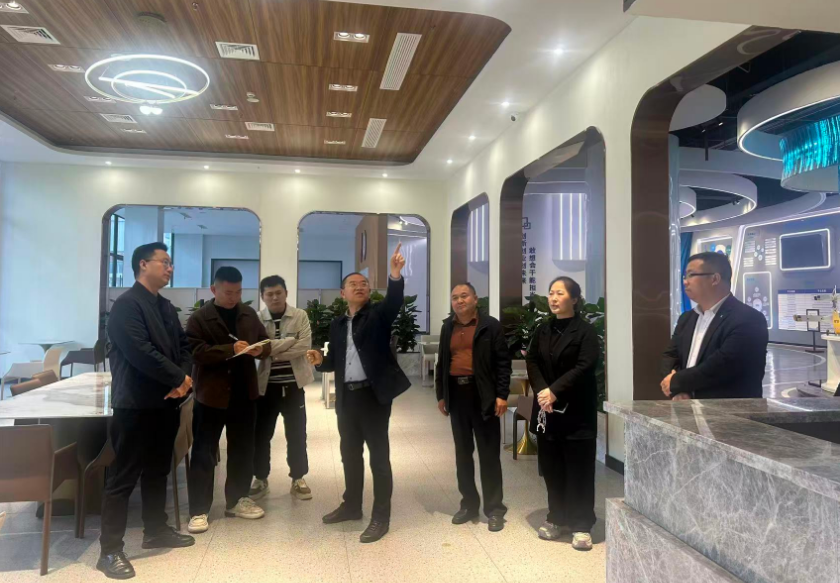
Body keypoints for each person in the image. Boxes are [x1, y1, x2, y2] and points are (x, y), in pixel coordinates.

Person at [98, 242, 194, 580]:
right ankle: (110, 550)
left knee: (158, 471)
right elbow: (139, 352)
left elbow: (184, 346)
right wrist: (178, 378)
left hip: (166, 403)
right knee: (123, 477)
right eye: (164, 262)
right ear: (143, 264)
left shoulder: (165, 306)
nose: (170, 268)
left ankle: (155, 530)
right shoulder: (126, 306)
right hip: (135, 405)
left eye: (170, 263)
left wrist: (184, 379)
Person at [306, 243, 409, 544]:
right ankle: (351, 506)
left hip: (373, 397)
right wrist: (320, 361)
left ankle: (381, 516)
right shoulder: (338, 324)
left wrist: (395, 274)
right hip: (347, 398)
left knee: (379, 458)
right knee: (350, 455)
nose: (360, 286)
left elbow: (394, 301)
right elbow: (335, 361)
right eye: (353, 284)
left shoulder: (378, 315)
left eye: (364, 283)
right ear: (343, 293)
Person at [186, 266, 271, 534]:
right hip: (210, 396)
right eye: (228, 292)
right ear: (214, 289)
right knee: (204, 452)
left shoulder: (248, 314)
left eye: (238, 292)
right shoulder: (200, 318)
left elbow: (266, 342)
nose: (234, 297)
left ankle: (237, 500)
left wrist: (259, 350)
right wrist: (229, 349)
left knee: (242, 449)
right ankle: (199, 509)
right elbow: (195, 352)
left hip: (244, 394)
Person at [526, 276, 600, 551]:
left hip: (577, 411)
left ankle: (581, 524)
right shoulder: (543, 330)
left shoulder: (585, 332)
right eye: (551, 293)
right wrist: (542, 391)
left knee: (579, 468)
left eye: (560, 293)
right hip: (547, 409)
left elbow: (585, 366)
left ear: (575, 299)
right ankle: (556, 516)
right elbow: (532, 360)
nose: (553, 298)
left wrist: (554, 390)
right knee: (552, 467)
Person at [435, 282, 511, 532]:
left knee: (489, 455)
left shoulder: (490, 326)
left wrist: (501, 395)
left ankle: (495, 509)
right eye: (455, 297)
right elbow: (442, 362)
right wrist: (441, 394)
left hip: (483, 396)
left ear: (475, 299)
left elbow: (503, 363)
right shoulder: (448, 326)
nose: (459, 301)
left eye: (464, 296)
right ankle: (468, 504)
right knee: (463, 454)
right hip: (457, 395)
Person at [661, 252, 768, 400]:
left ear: (715, 279)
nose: (685, 282)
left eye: (691, 275)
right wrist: (678, 390)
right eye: (685, 276)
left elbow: (723, 365)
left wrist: (677, 382)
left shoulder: (748, 319)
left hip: (729, 412)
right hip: (686, 409)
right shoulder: (687, 318)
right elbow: (670, 356)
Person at [250, 275, 314, 502]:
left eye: (279, 292)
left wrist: (271, 351)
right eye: (269, 294)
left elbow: (304, 346)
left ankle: (298, 478)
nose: (275, 297)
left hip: (293, 386)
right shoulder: (257, 319)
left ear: (286, 293)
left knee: (297, 434)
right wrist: (289, 341)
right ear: (263, 297)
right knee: (261, 435)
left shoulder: (300, 316)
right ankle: (260, 478)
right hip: (265, 388)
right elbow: (256, 348)